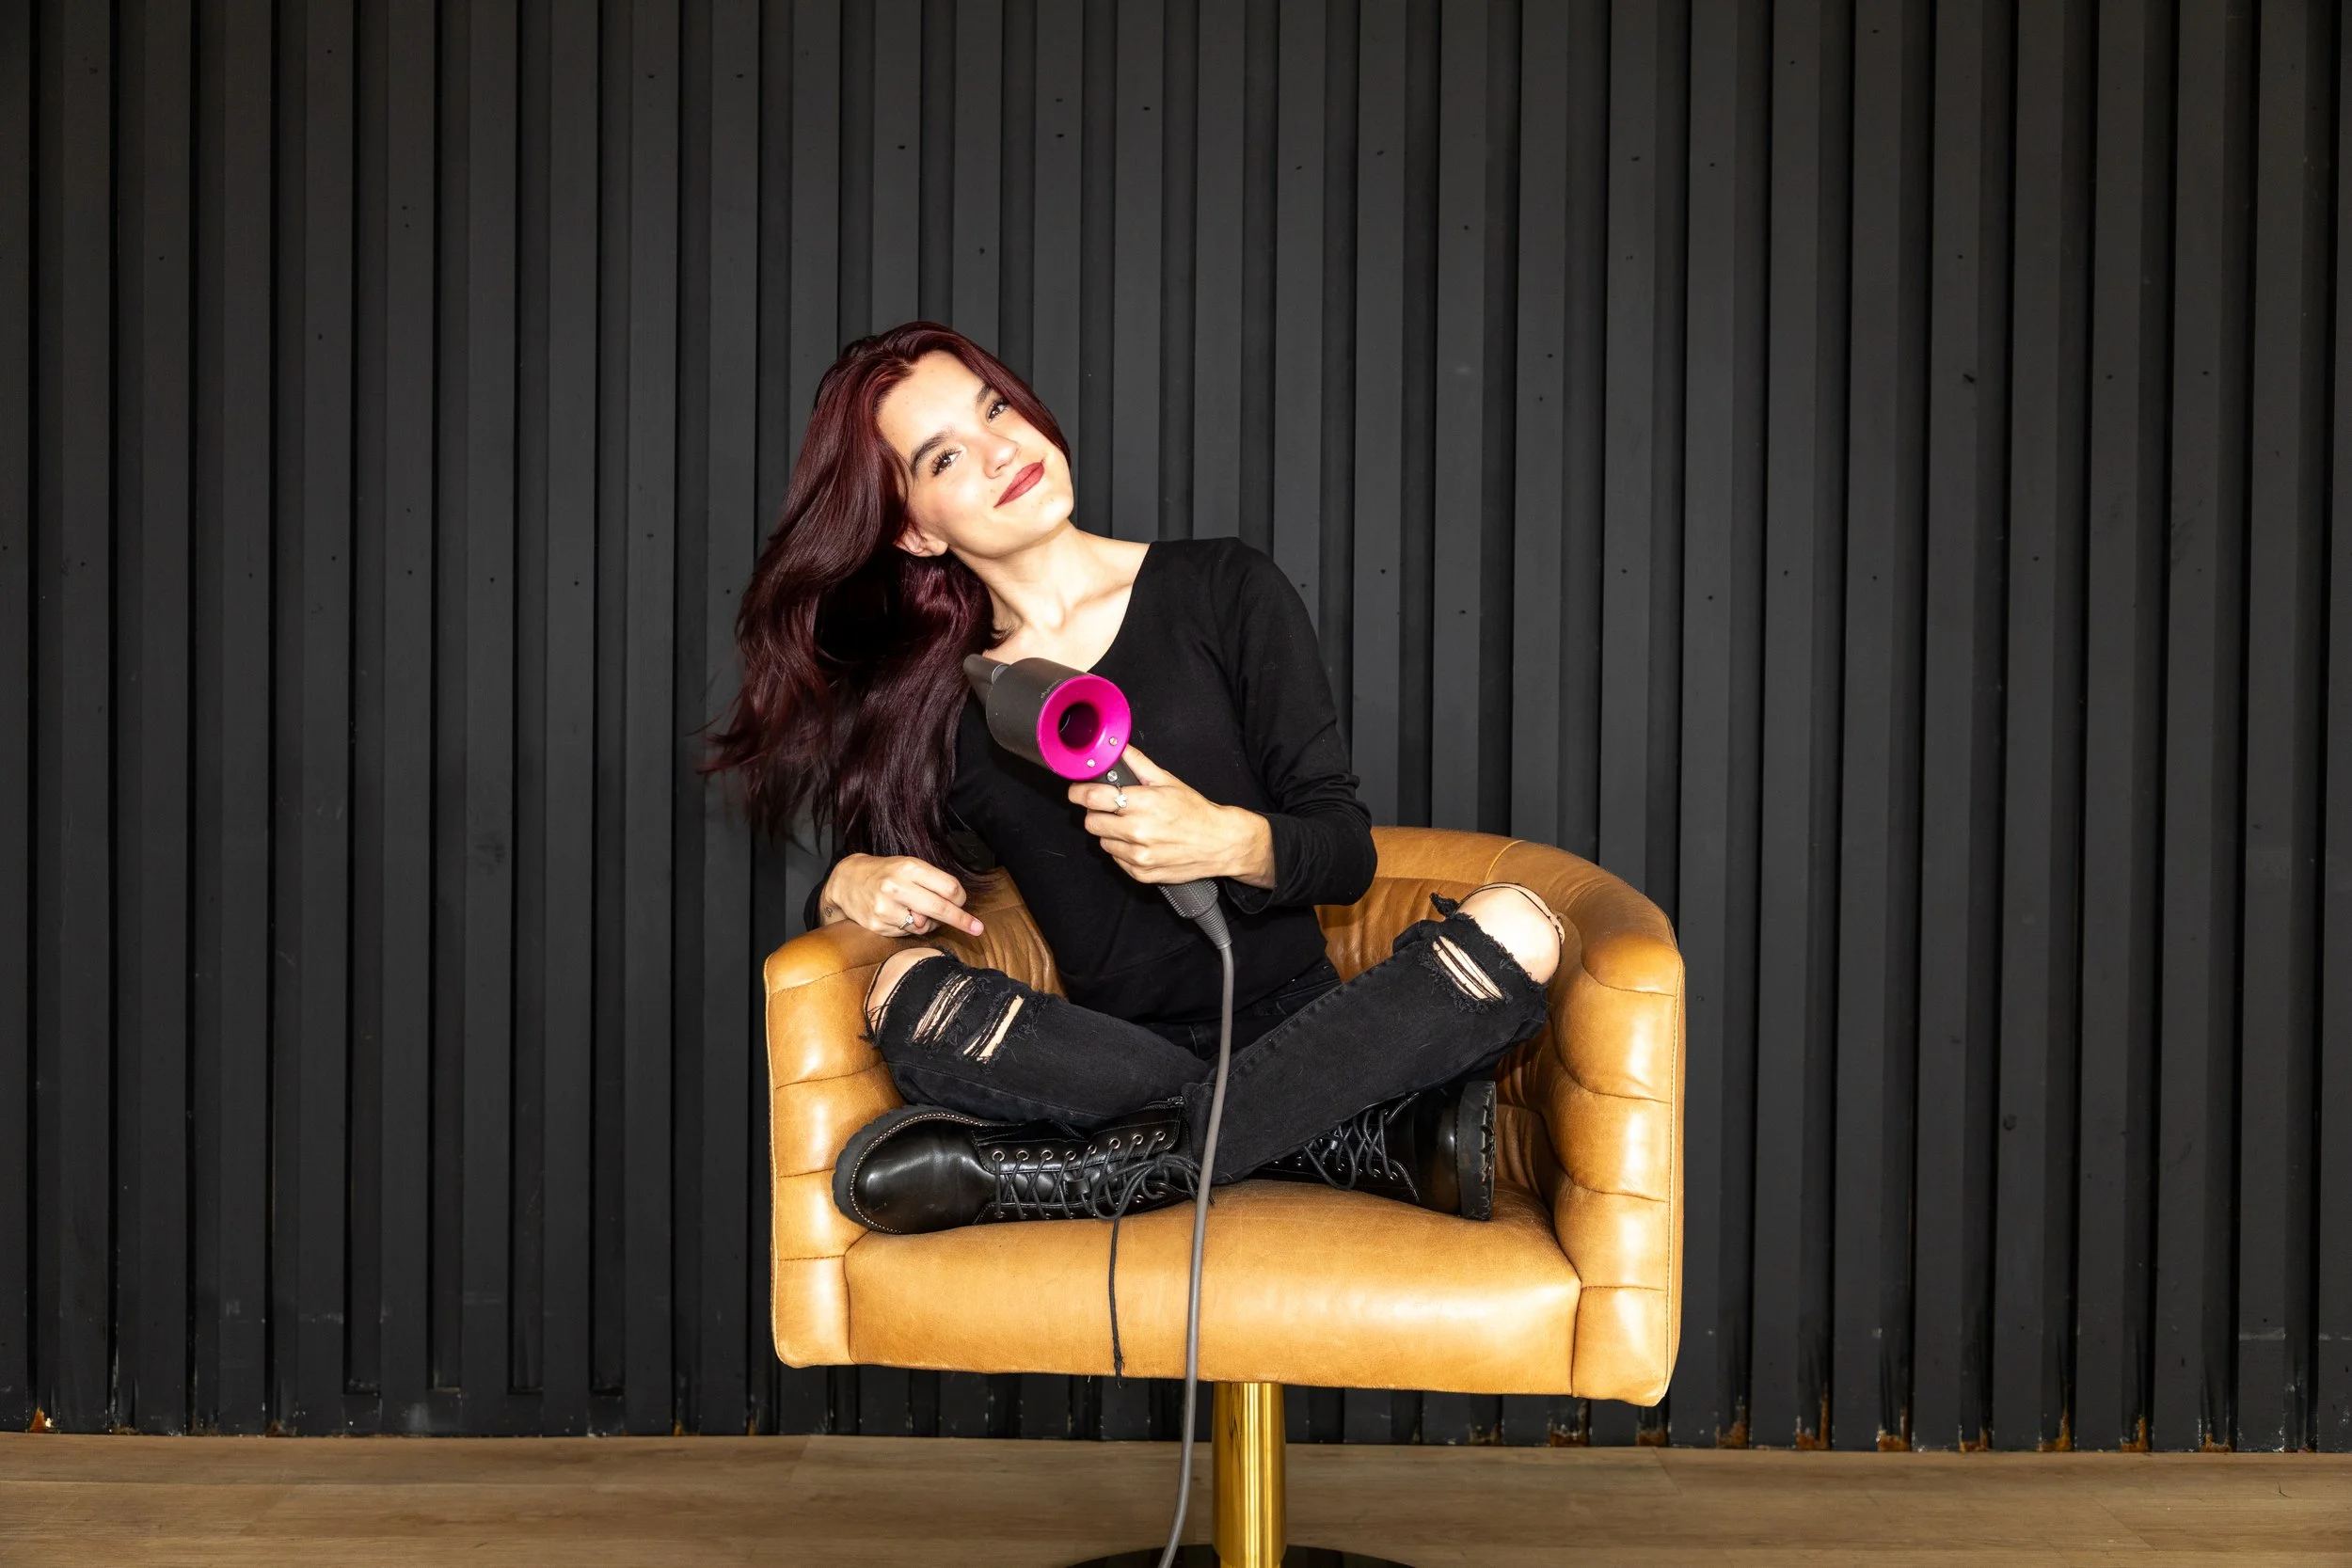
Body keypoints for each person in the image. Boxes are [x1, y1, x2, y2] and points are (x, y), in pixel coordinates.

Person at [707, 321, 1566, 1243]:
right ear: (915, 528)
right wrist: (842, 885)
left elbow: (1346, 851)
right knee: (903, 989)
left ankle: (1114, 1163)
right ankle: (1337, 1136)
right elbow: (905, 901)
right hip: (1106, 1060)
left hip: (1325, 1032)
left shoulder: (1222, 588)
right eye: (948, 455)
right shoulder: (949, 708)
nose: (1004, 449)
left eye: (994, 407)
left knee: (1522, 922)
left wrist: (1228, 840)